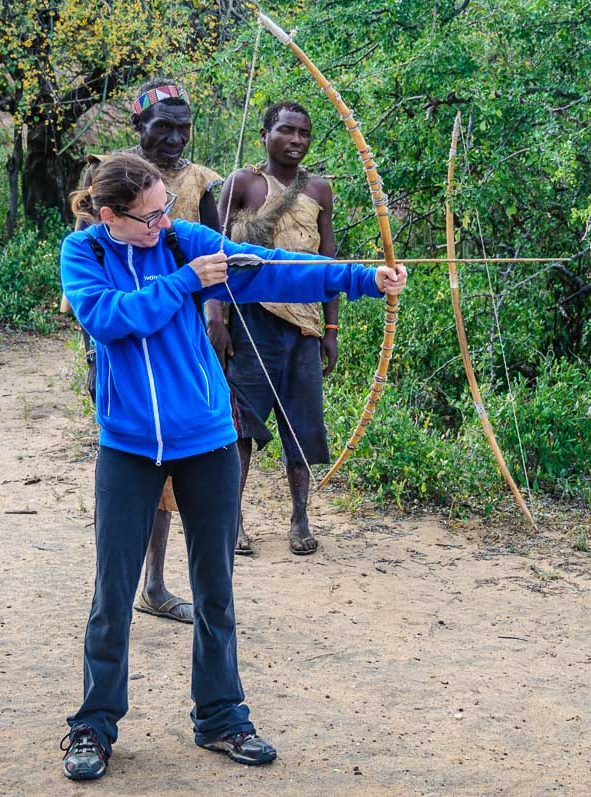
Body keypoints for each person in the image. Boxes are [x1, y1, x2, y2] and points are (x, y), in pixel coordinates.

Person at [58, 151, 406, 780]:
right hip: (129, 445)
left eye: (167, 208)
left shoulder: (183, 238)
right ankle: (93, 725)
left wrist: (361, 277)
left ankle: (220, 717)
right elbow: (109, 320)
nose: (163, 222)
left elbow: (271, 269)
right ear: (110, 216)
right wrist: (188, 281)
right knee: (112, 592)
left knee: (214, 587)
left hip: (208, 441)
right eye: (148, 216)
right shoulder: (86, 254)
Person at [65, 80, 225, 624]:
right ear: (139, 131)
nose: (176, 137)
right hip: (126, 359)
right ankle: (150, 582)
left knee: (185, 451)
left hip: (186, 341)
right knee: (141, 468)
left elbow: (229, 259)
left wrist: (361, 277)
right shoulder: (110, 185)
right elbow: (103, 305)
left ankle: (160, 585)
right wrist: (98, 360)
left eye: (184, 127)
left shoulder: (199, 183)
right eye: (164, 127)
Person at [210, 101, 336, 556]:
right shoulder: (243, 183)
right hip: (251, 320)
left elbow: (328, 264)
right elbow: (216, 254)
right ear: (265, 133)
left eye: (304, 133)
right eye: (286, 130)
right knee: (241, 425)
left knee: (302, 426)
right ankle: (234, 518)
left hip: (303, 325)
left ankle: (300, 517)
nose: (296, 140)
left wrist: (332, 329)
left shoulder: (318, 190)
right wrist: (218, 318)